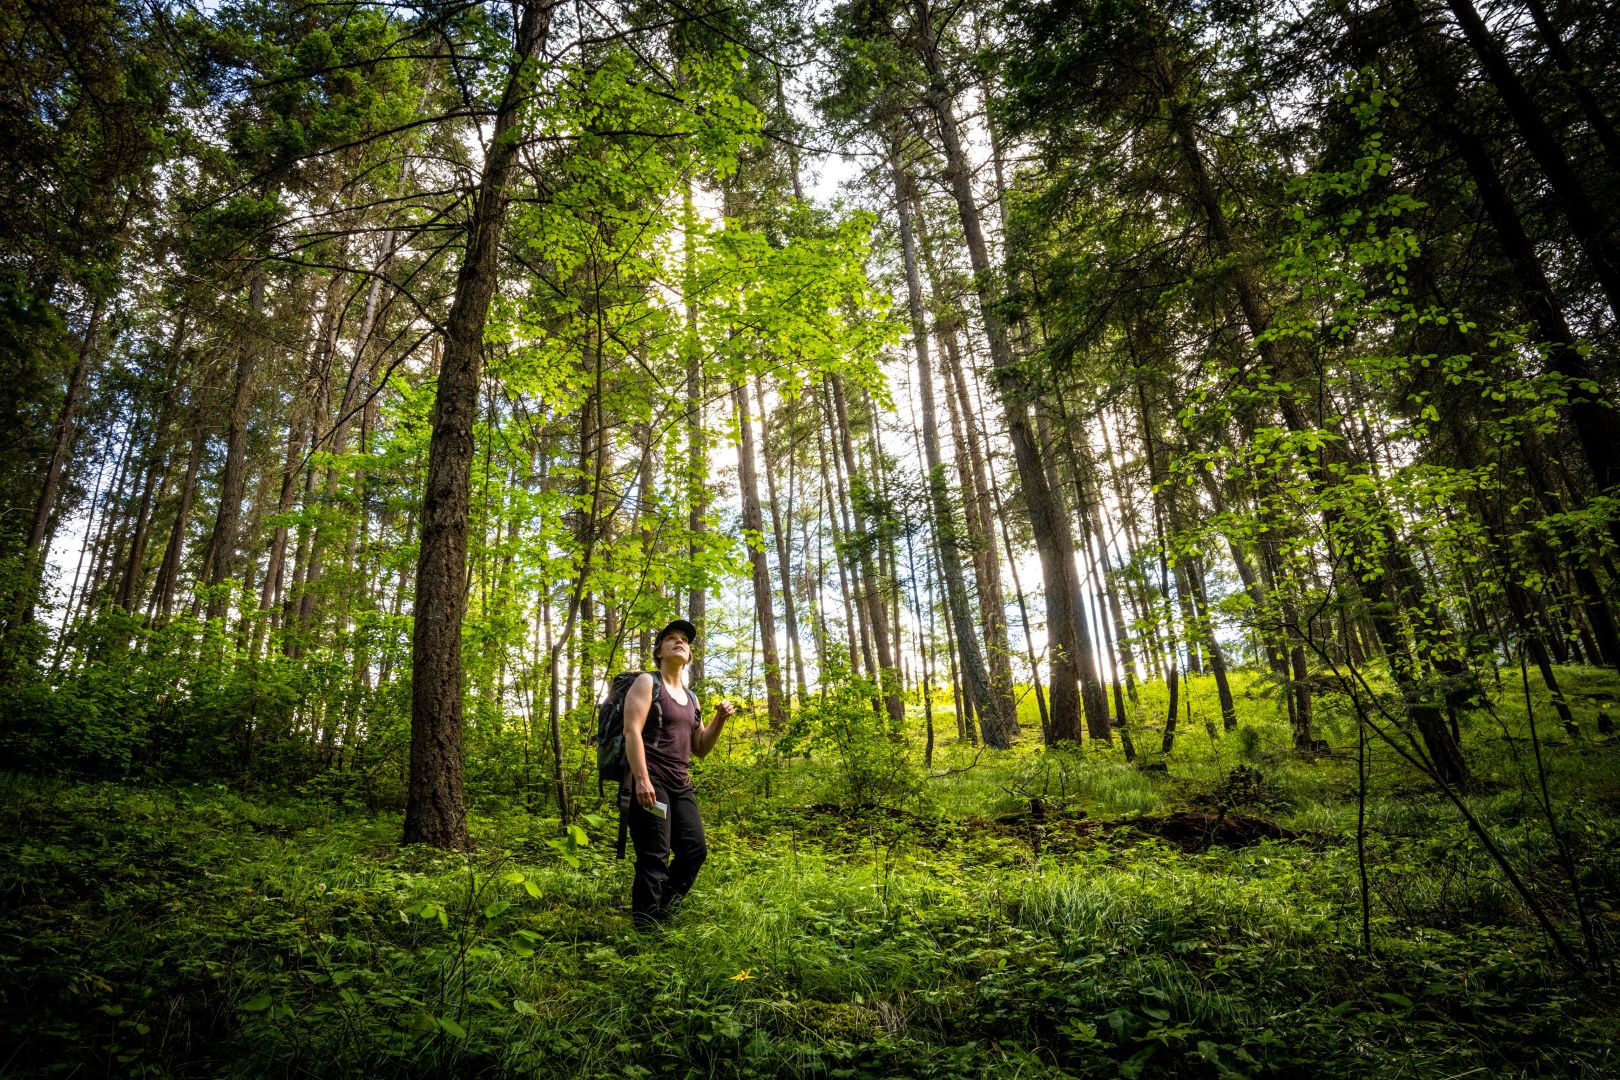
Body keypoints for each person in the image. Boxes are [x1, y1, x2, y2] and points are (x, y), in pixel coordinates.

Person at [621, 618, 734, 928]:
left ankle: (660, 911)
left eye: (684, 639)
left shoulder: (692, 698)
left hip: (681, 784)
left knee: (694, 850)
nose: (679, 642)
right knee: (654, 855)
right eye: (671, 638)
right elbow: (632, 731)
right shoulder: (647, 682)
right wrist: (642, 779)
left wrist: (719, 720)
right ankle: (646, 929)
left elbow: (699, 747)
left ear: (690, 656)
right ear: (659, 651)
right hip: (651, 780)